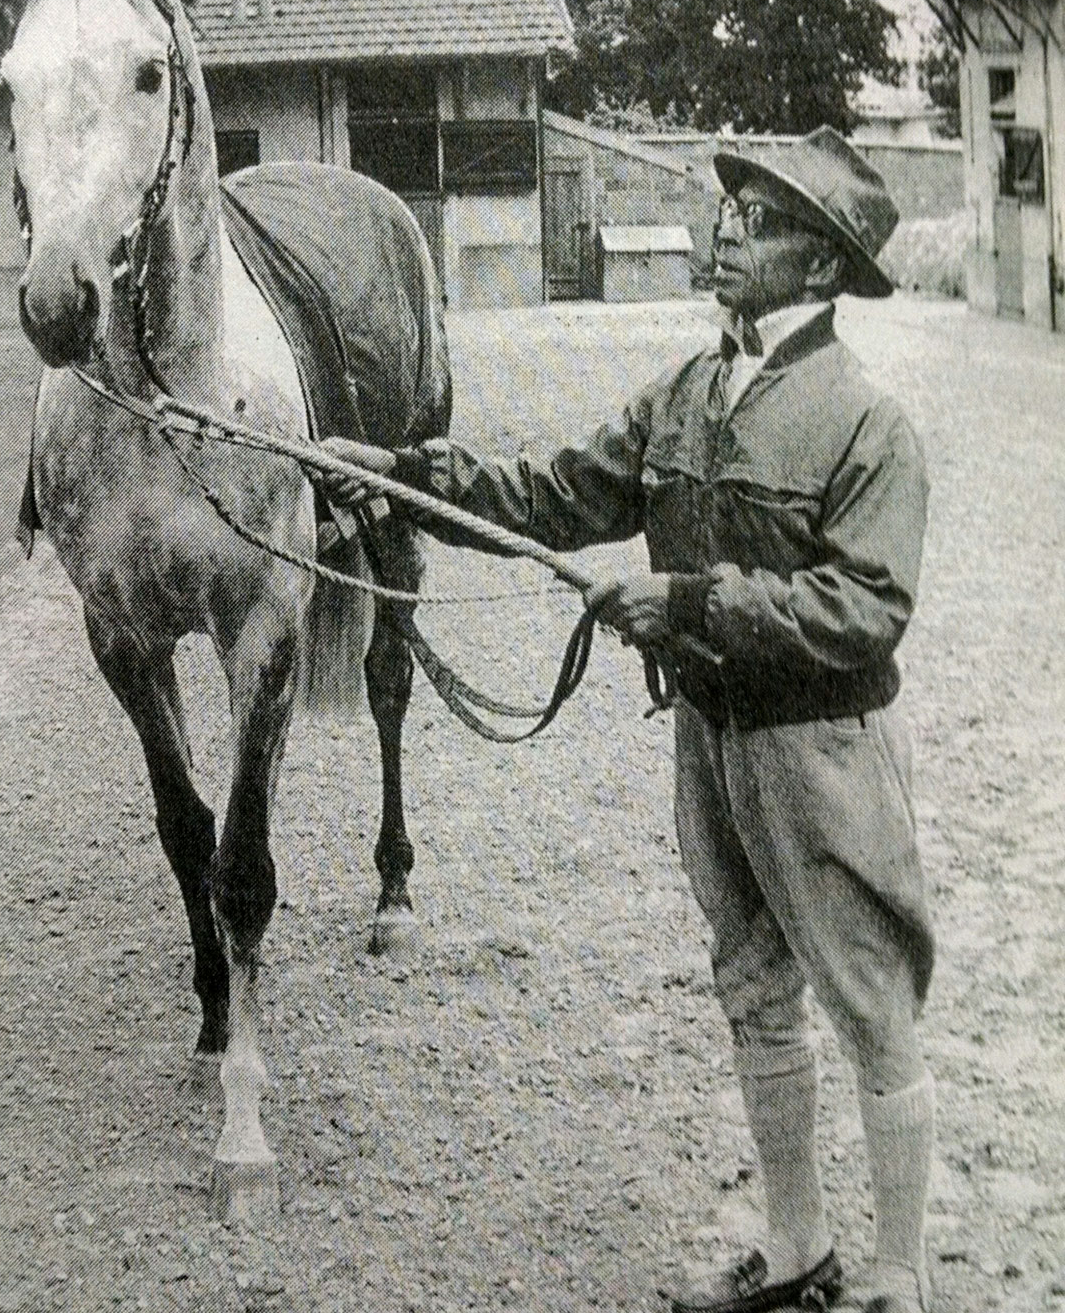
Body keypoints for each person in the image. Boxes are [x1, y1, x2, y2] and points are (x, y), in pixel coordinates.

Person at [317, 127, 935, 1313]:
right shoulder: (686, 394)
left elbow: (863, 611)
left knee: (866, 999)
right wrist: (398, 471)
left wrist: (687, 597)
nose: (724, 230)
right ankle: (799, 1248)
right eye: (730, 211)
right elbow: (555, 494)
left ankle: (900, 1274)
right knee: (753, 986)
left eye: (757, 222)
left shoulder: (867, 423)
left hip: (823, 746)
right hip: (709, 736)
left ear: (819, 270)